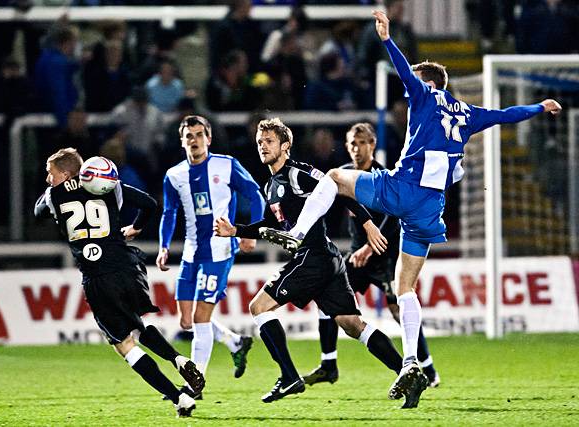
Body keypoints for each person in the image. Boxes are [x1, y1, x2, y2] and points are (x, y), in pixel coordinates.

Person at [262, 10, 563, 408]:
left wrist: (387, 40)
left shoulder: (425, 95)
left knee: (334, 176)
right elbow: (506, 115)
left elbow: (404, 72)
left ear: (429, 84)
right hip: (430, 208)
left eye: (416, 87)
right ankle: (409, 362)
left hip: (402, 187)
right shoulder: (469, 113)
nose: (409, 94)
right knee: (406, 288)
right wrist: (540, 107)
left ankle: (297, 233)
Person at [214, 118, 410, 406]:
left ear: (285, 146)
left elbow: (338, 188)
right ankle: (406, 371)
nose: (263, 146)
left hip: (313, 257)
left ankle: (289, 376)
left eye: (269, 141)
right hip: (326, 259)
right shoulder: (270, 185)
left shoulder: (298, 173)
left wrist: (367, 223)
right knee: (352, 323)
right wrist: (237, 230)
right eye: (260, 142)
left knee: (258, 307)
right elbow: (272, 223)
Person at [34, 148, 205, 417]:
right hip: (127, 267)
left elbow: (37, 212)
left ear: (65, 174)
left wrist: (62, 187)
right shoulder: (109, 186)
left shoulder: (55, 195)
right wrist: (136, 227)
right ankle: (178, 359)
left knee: (123, 344)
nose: (47, 179)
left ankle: (178, 398)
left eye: (50, 173)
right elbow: (149, 204)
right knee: (137, 324)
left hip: (97, 277)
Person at [302, 122, 440, 389]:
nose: (357, 148)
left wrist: (369, 247)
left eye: (362, 142)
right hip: (357, 256)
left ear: (373, 145)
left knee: (399, 310)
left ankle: (428, 369)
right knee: (327, 298)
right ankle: (328, 364)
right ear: (346, 146)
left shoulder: (383, 176)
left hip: (384, 256)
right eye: (352, 143)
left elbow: (394, 217)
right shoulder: (342, 176)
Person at [156, 115, 265, 398]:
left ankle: (196, 384)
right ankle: (235, 342)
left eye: (199, 134)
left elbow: (256, 195)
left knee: (202, 316)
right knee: (186, 321)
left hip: (219, 251)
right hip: (191, 251)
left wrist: (250, 232)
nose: (194, 140)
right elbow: (169, 212)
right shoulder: (174, 175)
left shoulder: (226, 165)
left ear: (209, 138)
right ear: (182, 141)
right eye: (189, 135)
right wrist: (164, 246)